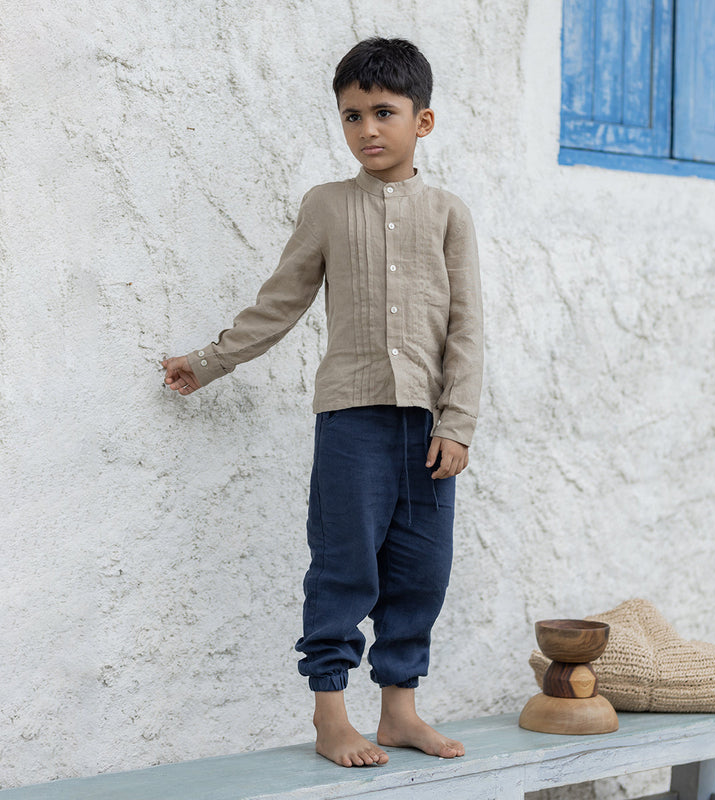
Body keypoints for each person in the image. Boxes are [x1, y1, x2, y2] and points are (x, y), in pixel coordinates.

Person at [162, 37, 482, 768]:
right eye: (350, 116)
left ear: (421, 122)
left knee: (421, 572)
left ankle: (399, 713)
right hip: (352, 423)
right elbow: (281, 304)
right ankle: (331, 717)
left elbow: (468, 328)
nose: (367, 129)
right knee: (343, 567)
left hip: (429, 431)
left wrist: (457, 422)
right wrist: (208, 363)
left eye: (383, 112)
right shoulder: (327, 207)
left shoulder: (448, 216)